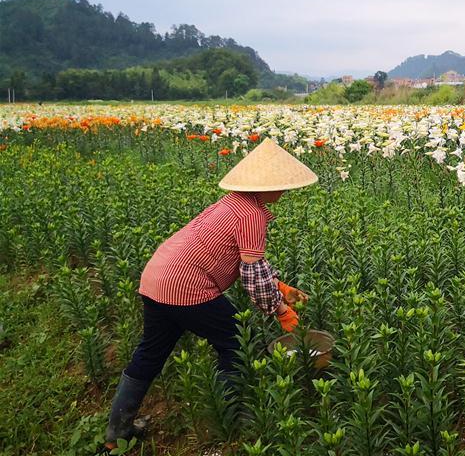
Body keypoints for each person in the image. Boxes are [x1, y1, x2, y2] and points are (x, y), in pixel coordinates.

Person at [103, 138, 317, 450]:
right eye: (282, 184)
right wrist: (280, 309)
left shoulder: (233, 203)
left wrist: (279, 287)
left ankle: (116, 435)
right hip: (188, 288)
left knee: (150, 353)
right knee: (237, 343)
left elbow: (249, 260)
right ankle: (229, 419)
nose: (286, 191)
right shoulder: (252, 215)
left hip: (157, 279)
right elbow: (252, 273)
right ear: (264, 185)